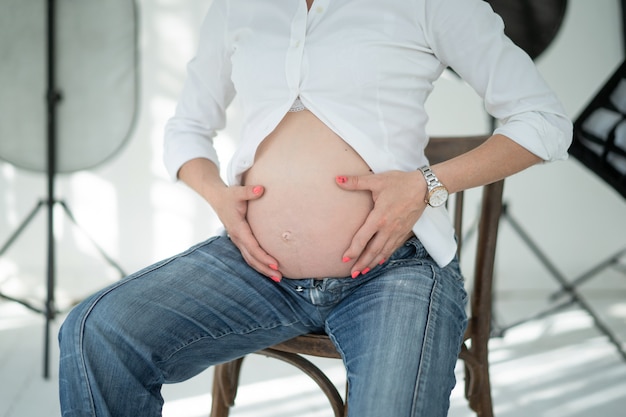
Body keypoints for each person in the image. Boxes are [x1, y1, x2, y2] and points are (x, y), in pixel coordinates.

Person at [58, 0, 572, 416]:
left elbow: (543, 121)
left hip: (394, 271)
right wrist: (219, 195)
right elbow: (186, 128)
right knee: (97, 332)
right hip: (255, 267)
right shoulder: (240, 7)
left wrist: (426, 183)